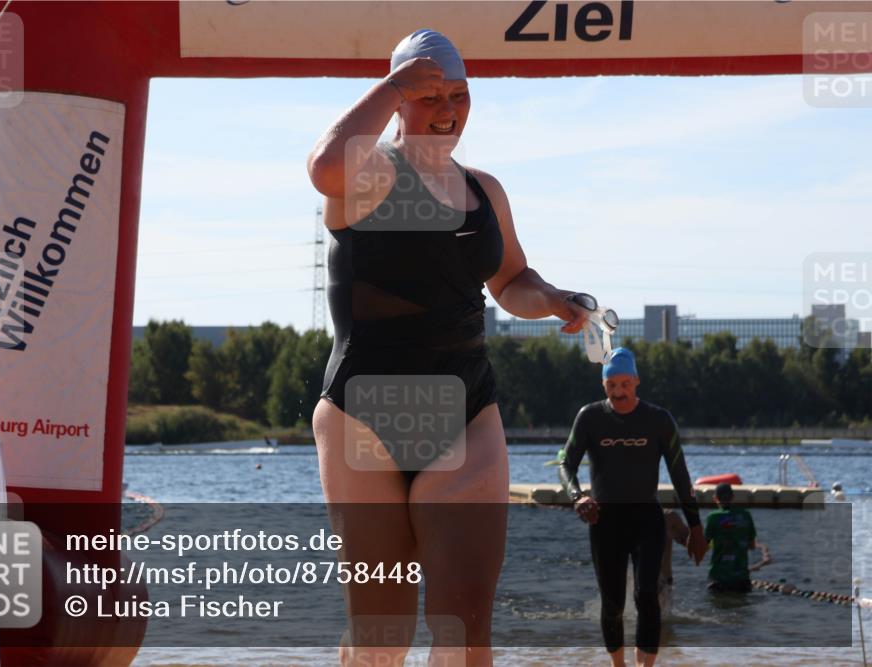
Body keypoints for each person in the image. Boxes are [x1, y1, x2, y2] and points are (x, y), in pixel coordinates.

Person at [307, 28, 589, 667]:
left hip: (465, 412)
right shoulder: (370, 173)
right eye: (429, 95)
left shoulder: (484, 190)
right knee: (381, 632)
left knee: (465, 630)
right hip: (362, 418)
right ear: (399, 101)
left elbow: (512, 278)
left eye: (458, 95)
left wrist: (553, 299)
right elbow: (324, 168)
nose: (447, 109)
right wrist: (390, 86)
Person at [559, 347, 708, 667]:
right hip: (605, 521)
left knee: (645, 596)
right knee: (612, 603)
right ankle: (618, 665)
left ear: (637, 381)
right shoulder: (590, 417)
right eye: (612, 385)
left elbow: (681, 476)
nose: (619, 392)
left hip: (646, 520)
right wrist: (578, 497)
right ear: (604, 386)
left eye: (625, 384)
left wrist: (696, 527)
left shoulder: (658, 420)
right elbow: (565, 464)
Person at [704, 482, 757, 593]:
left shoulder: (713, 517)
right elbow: (752, 546)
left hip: (719, 578)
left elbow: (704, 547)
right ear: (733, 497)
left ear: (715, 498)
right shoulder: (745, 515)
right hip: (741, 578)